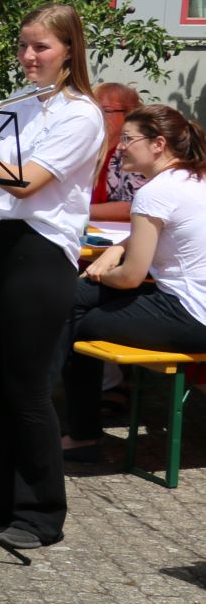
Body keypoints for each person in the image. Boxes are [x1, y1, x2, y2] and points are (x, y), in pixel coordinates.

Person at [0, 3, 104, 550]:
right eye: (23, 45)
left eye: (40, 47)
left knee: (27, 387)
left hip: (41, 251)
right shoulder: (21, 105)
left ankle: (42, 511)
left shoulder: (81, 115)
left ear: (69, 50)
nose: (27, 56)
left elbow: (26, 182)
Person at [61, 105, 206, 459]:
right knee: (72, 298)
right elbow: (161, 233)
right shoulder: (193, 178)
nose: (120, 146)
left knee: (75, 320)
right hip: (190, 304)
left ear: (158, 144)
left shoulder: (154, 193)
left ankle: (81, 435)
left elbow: (130, 278)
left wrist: (100, 270)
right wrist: (115, 249)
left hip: (190, 314)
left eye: (128, 139)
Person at [90, 82, 145, 224]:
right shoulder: (84, 148)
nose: (98, 116)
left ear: (129, 114)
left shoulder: (134, 152)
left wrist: (77, 211)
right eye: (94, 109)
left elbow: (133, 206)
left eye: (106, 111)